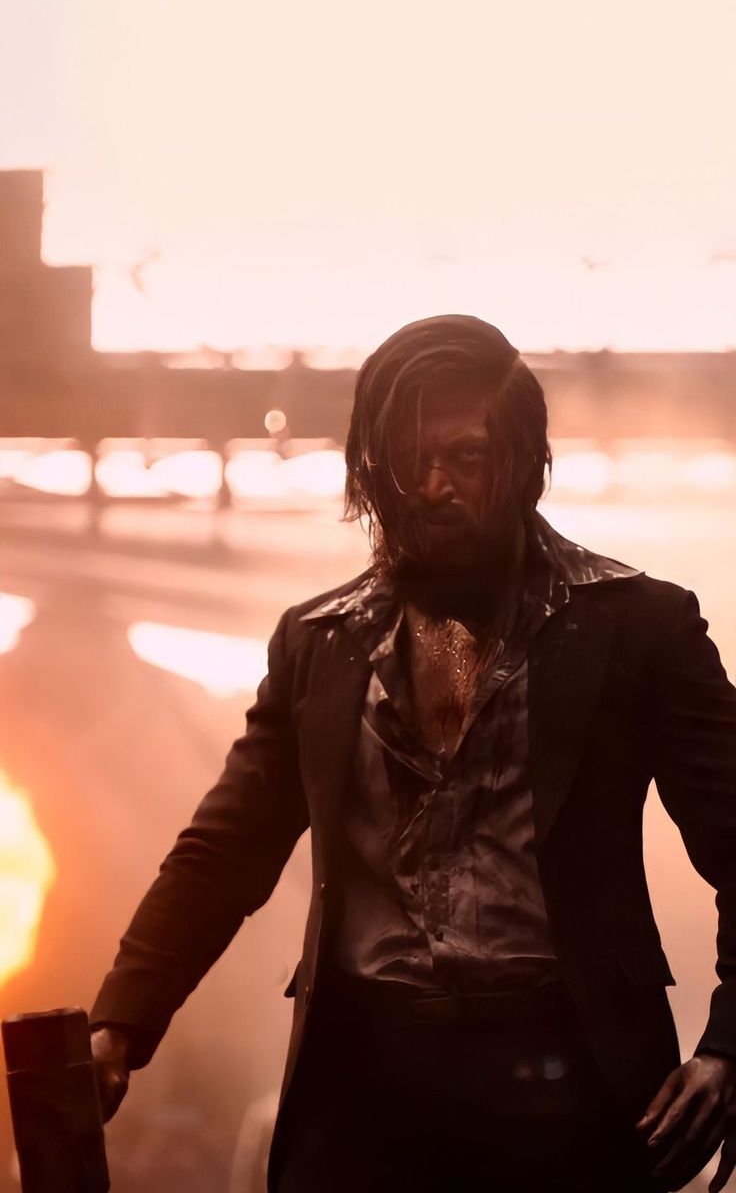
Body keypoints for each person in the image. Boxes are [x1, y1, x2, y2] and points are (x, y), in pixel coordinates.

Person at [89, 314, 736, 1192]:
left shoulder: (639, 627)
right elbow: (223, 851)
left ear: (524, 468)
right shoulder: (316, 644)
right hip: (365, 1094)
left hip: (569, 1083)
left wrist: (731, 1046)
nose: (435, 487)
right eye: (407, 459)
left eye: (467, 458)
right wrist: (118, 1025)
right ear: (369, 471)